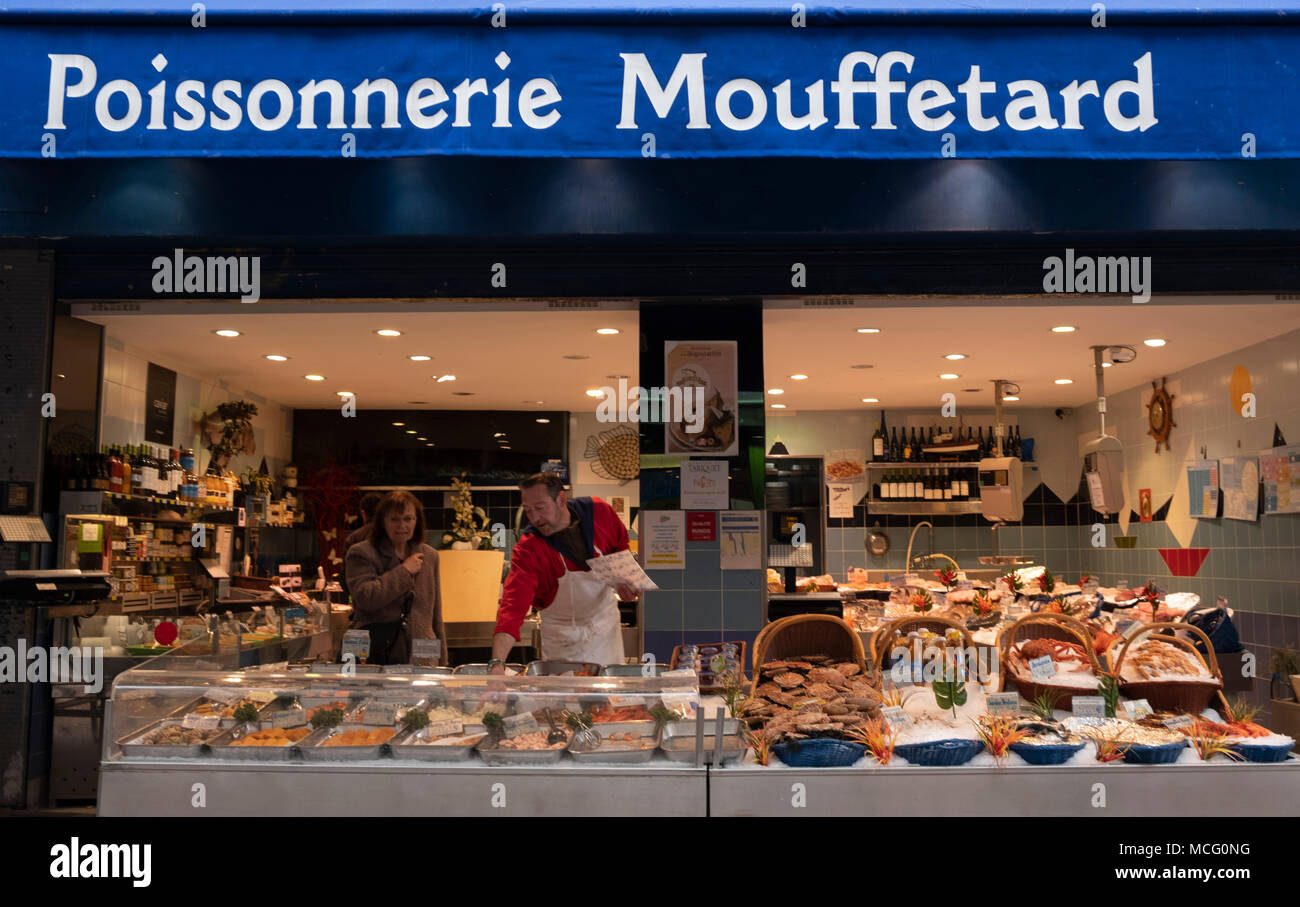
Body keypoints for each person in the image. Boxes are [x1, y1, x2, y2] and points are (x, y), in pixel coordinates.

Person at [490, 473, 638, 673]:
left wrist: (625, 580)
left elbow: (619, 548)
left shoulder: (598, 512)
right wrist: (497, 664)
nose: (534, 518)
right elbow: (512, 609)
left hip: (605, 632)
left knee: (609, 699)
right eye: (528, 510)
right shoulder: (529, 549)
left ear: (561, 499)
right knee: (566, 701)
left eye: (540, 508)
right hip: (562, 643)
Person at [345, 490, 446, 666]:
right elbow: (365, 598)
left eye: (408, 519)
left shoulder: (430, 555)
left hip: (423, 652)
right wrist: (404, 571)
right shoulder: (361, 552)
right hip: (373, 651)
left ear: (417, 521)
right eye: (394, 519)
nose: (402, 525)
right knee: (366, 693)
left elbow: (435, 613)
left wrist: (443, 663)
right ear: (382, 521)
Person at [338, 492, 383, 596]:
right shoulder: (393, 535)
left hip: (362, 598)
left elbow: (346, 576)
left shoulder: (355, 538)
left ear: (363, 513)